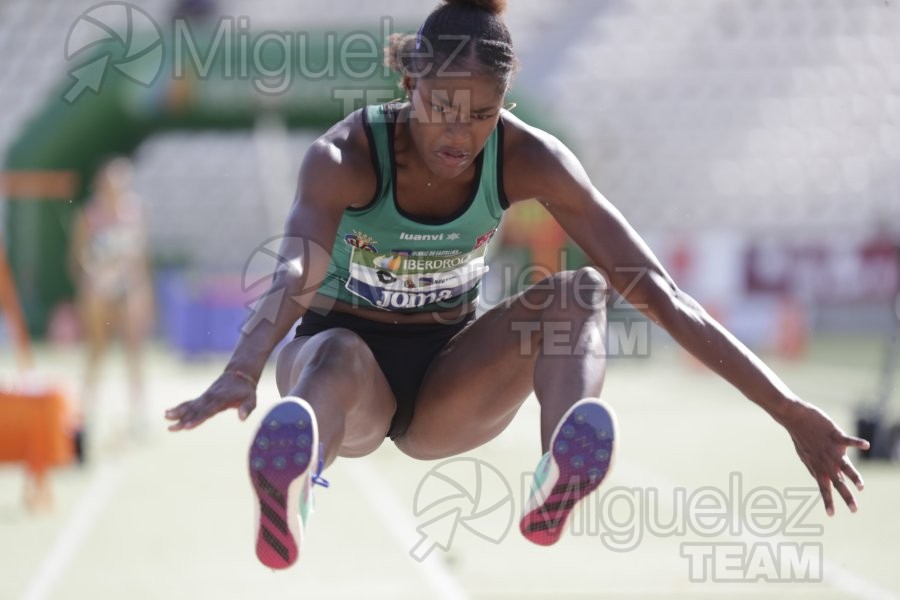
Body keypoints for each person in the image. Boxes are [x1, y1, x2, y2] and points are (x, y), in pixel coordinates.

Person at [165, 0, 869, 568]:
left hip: (449, 380)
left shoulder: (530, 157)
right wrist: (243, 365)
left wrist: (787, 408)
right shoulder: (346, 156)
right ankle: (293, 487)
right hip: (345, 377)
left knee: (583, 291)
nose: (460, 132)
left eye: (482, 114)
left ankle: (561, 459)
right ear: (412, 82)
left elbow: (659, 290)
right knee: (341, 353)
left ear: (504, 103)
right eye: (443, 106)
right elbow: (296, 266)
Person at [71, 157, 154, 455]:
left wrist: (142, 291)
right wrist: (95, 280)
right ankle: (84, 412)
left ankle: (139, 414)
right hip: (99, 291)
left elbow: (141, 258)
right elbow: (78, 257)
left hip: (128, 289)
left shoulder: (135, 212)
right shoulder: (89, 214)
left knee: (134, 351)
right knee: (97, 350)